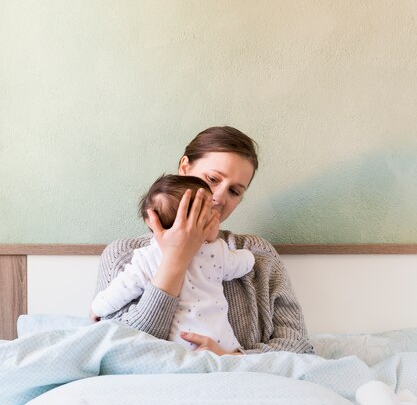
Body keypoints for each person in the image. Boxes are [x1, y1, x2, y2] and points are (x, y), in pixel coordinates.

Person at [95, 126, 314, 356]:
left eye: (234, 191)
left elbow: (299, 346)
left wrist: (232, 359)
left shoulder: (256, 254)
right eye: (212, 179)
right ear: (184, 168)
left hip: (246, 387)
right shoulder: (125, 254)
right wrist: (174, 262)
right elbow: (119, 352)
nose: (218, 198)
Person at [91, 175, 255, 353]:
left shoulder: (147, 258)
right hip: (222, 343)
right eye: (212, 179)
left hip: (177, 348)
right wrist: (250, 255)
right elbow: (243, 262)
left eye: (234, 191)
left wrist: (97, 307)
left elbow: (118, 292)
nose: (218, 205)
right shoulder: (218, 252)